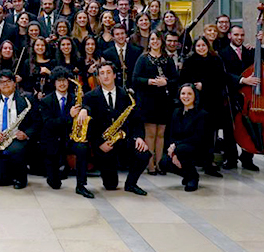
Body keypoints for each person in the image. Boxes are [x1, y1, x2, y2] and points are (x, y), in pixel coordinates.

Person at [82, 62, 151, 195]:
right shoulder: (89, 97)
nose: (106, 76)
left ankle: (131, 183)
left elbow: (137, 121)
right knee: (110, 185)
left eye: (108, 72)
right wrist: (98, 144)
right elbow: (89, 127)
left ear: (114, 75)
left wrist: (139, 138)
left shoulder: (126, 95)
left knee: (143, 154)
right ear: (98, 78)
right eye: (102, 73)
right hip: (104, 143)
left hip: (124, 139)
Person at [219, 24, 264, 171]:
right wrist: (242, 80)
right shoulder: (222, 53)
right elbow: (224, 74)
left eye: (241, 35)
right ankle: (231, 159)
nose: (239, 38)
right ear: (230, 36)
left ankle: (247, 159)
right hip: (231, 96)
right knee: (230, 129)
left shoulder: (250, 51)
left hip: (250, 97)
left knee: (250, 127)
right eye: (236, 35)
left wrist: (263, 43)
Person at [40, 67, 93, 198]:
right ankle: (55, 174)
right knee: (55, 184)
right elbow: (48, 124)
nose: (62, 84)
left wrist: (85, 110)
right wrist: (69, 116)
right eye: (59, 81)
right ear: (54, 83)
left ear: (68, 82)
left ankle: (81, 185)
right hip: (53, 141)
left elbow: (86, 105)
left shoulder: (75, 98)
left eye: (64, 80)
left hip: (70, 139)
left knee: (82, 148)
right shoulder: (46, 101)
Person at [132, 31, 179, 174]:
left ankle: (159, 164)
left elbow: (175, 80)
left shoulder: (168, 59)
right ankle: (149, 164)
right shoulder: (143, 58)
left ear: (162, 41)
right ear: (149, 41)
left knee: (161, 134)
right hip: (148, 100)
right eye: (152, 39)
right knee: (150, 133)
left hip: (163, 101)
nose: (155, 42)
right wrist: (150, 81)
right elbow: (135, 79)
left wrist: (166, 82)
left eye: (158, 39)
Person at [0, 70, 37, 189]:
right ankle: (9, 172)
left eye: (8, 81)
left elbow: (37, 122)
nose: (5, 84)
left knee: (15, 149)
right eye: (2, 82)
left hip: (17, 139)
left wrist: (26, 134)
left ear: (14, 83)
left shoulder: (26, 99)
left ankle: (21, 177)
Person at [180, 36, 227, 177]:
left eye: (203, 45)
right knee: (195, 134)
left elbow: (221, 80)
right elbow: (183, 79)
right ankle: (194, 162)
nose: (201, 48)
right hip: (195, 104)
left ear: (208, 46)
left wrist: (204, 85)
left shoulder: (216, 60)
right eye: (198, 46)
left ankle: (208, 163)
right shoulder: (189, 61)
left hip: (212, 102)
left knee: (210, 135)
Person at [159, 84, 209, 191]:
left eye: (189, 94)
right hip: (179, 148)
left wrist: (175, 148)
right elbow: (171, 134)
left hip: (197, 148)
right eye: (183, 93)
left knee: (182, 151)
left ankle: (192, 179)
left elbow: (197, 138)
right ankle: (189, 175)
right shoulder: (176, 112)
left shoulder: (202, 114)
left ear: (195, 96)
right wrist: (172, 151)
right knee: (163, 163)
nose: (186, 96)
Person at [102, 24, 143, 90]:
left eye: (122, 33)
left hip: (134, 88)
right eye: (117, 34)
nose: (120, 36)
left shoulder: (137, 51)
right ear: (113, 37)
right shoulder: (107, 54)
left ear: (126, 35)